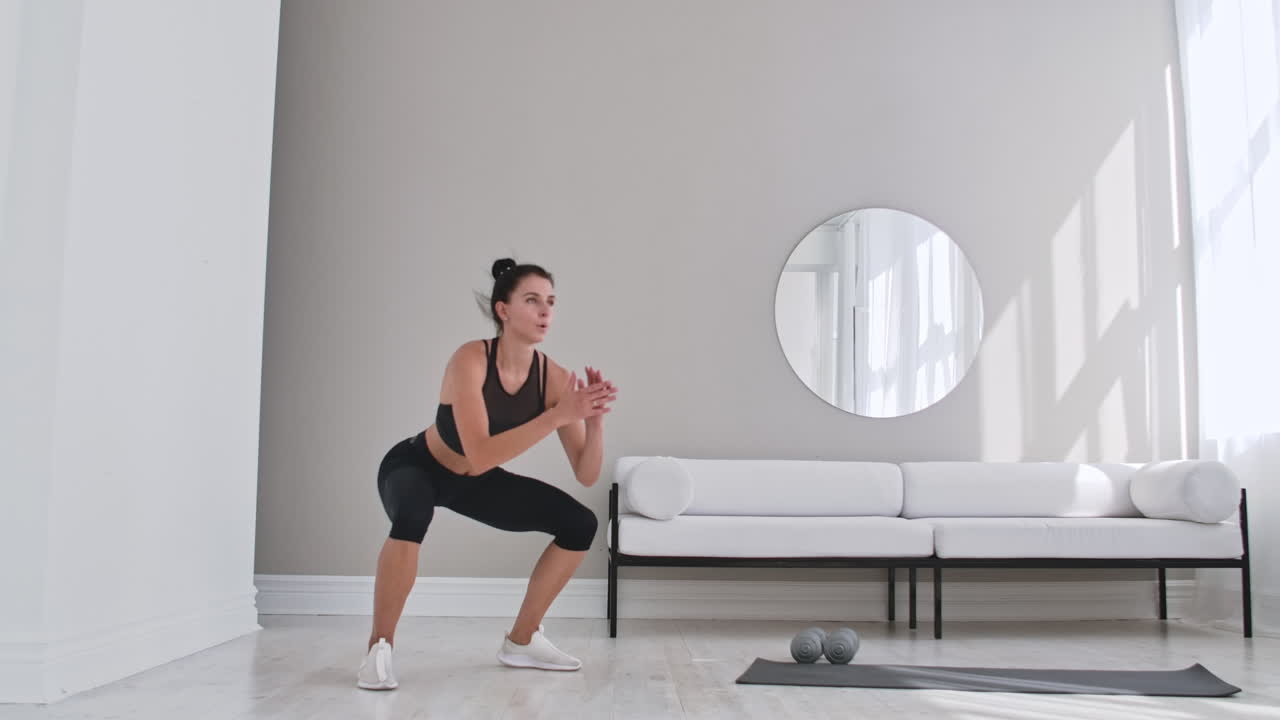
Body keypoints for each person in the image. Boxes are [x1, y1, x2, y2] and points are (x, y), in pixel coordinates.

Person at [357, 258, 618, 690]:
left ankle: (522, 640)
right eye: (532, 300)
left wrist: (594, 422)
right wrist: (557, 416)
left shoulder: (553, 377)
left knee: (580, 523)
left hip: (471, 481)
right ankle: (378, 648)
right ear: (503, 309)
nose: (545, 312)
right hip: (416, 465)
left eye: (550, 302)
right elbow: (478, 455)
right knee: (412, 517)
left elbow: (586, 474)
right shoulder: (471, 359)